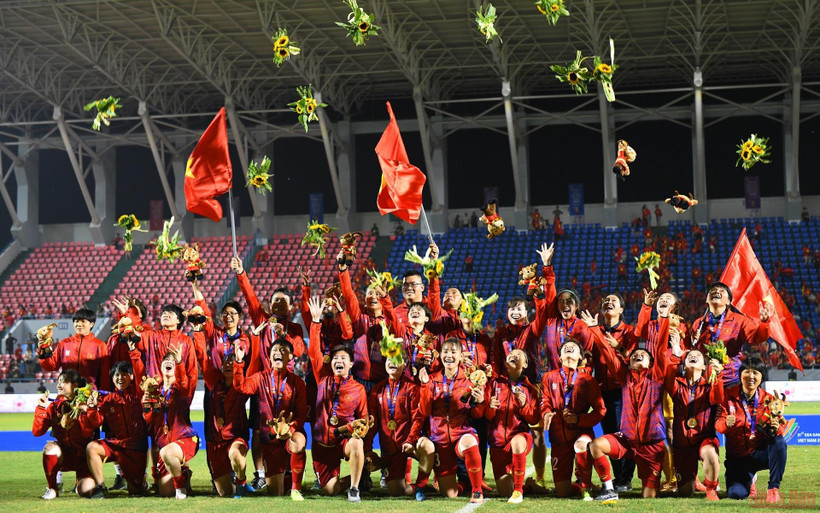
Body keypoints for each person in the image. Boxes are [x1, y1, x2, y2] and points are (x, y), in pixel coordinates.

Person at [586, 312, 671, 503]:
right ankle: (608, 489)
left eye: (643, 354)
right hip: (627, 440)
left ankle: (655, 482)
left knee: (649, 496)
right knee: (596, 445)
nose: (638, 354)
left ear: (651, 363)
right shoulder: (624, 377)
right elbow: (608, 354)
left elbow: (661, 349)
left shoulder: (656, 376)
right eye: (634, 355)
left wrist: (664, 319)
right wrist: (594, 329)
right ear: (629, 363)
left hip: (652, 446)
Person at [409, 338, 487, 503]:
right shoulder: (431, 379)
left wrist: (480, 403)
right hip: (439, 439)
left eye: (453, 352)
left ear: (460, 356)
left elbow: (478, 414)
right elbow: (424, 411)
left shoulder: (470, 380)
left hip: (461, 433)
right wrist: (424, 386)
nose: (449, 355)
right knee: (449, 494)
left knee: (469, 442)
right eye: (445, 351)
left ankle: (477, 490)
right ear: (440, 355)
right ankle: (464, 484)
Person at [306, 296, 369, 501]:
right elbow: (314, 351)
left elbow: (364, 419)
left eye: (343, 359)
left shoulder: (358, 389)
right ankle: (360, 476)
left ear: (351, 364)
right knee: (330, 490)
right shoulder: (322, 378)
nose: (339, 361)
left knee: (357, 443)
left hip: (343, 441)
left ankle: (354, 489)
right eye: (335, 359)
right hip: (323, 445)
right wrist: (315, 323)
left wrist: (359, 428)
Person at [234, 336, 308, 500]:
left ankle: (296, 488)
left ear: (290, 357)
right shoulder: (260, 378)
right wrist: (239, 363)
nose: (278, 353)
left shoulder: (298, 383)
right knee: (276, 492)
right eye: (274, 350)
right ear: (269, 356)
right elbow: (242, 388)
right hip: (270, 439)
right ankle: (287, 478)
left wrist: (290, 428)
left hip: (290, 435)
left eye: (283, 350)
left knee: (299, 442)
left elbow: (301, 414)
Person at [130, 343, 198, 499]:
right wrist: (146, 405)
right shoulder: (154, 390)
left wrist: (180, 362)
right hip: (164, 445)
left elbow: (183, 381)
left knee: (167, 453)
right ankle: (184, 474)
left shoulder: (182, 388)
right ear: (160, 367)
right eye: (166, 360)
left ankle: (181, 488)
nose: (170, 361)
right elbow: (150, 421)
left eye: (173, 361)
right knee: (165, 492)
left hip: (185, 439)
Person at [716, 357, 788, 502]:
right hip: (737, 458)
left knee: (779, 443)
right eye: (746, 372)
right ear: (740, 375)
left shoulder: (768, 399)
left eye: (755, 372)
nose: (751, 376)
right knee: (737, 495)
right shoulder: (728, 395)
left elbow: (778, 426)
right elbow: (718, 424)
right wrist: (725, 424)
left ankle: (773, 488)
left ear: (761, 377)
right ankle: (750, 479)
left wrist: (776, 428)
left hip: (759, 454)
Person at [541, 339, 605, 499]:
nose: (569, 347)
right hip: (558, 437)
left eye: (574, 348)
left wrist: (579, 419)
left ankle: (586, 487)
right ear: (560, 357)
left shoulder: (588, 380)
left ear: (580, 358)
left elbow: (600, 410)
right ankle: (578, 487)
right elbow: (545, 400)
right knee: (563, 492)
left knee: (581, 444)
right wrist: (546, 412)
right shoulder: (548, 377)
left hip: (580, 432)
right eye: (565, 348)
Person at [365, 352, 431, 499]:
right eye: (389, 359)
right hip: (390, 450)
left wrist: (410, 440)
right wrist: (368, 449)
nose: (392, 362)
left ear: (405, 365)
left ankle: (421, 486)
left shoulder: (412, 388)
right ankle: (423, 488)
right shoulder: (377, 390)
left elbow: (417, 418)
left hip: (410, 443)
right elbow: (373, 423)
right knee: (396, 492)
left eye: (397, 359)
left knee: (428, 447)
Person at [84, 361, 149, 497]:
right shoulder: (108, 400)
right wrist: (91, 408)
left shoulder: (139, 395)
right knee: (92, 447)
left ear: (131, 376)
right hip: (115, 445)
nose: (120, 378)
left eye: (124, 374)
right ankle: (101, 487)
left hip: (135, 448)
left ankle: (141, 480)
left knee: (136, 492)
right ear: (112, 378)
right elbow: (96, 422)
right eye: (117, 375)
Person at [691, 282, 773, 387]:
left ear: (729, 301)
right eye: (712, 290)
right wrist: (693, 341)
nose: (716, 291)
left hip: (731, 379)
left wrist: (765, 322)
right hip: (704, 379)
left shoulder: (739, 320)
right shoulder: (699, 323)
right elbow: (692, 350)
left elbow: (756, 337)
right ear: (707, 299)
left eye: (721, 291)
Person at [486, 348, 540, 503]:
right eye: (511, 354)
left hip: (519, 438)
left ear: (524, 365)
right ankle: (528, 487)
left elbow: (533, 418)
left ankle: (518, 492)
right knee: (504, 491)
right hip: (497, 444)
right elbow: (486, 415)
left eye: (519, 356)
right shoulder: (494, 382)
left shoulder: (529, 388)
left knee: (517, 441)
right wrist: (490, 407)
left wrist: (524, 405)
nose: (513, 356)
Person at [33, 369, 97, 499]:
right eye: (58, 382)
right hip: (65, 457)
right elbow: (37, 432)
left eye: (64, 382)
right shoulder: (54, 407)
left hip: (84, 460)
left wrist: (84, 411)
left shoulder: (86, 405)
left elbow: (87, 432)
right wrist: (41, 408)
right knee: (50, 448)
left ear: (75, 385)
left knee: (86, 492)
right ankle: (52, 488)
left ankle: (81, 482)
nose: (59, 385)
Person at [38, 308, 110, 391]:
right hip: (67, 392)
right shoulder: (64, 344)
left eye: (83, 321)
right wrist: (43, 352)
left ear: (91, 324)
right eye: (76, 321)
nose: (79, 324)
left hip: (89, 394)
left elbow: (105, 374)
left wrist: (104, 394)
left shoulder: (100, 346)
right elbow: (51, 366)